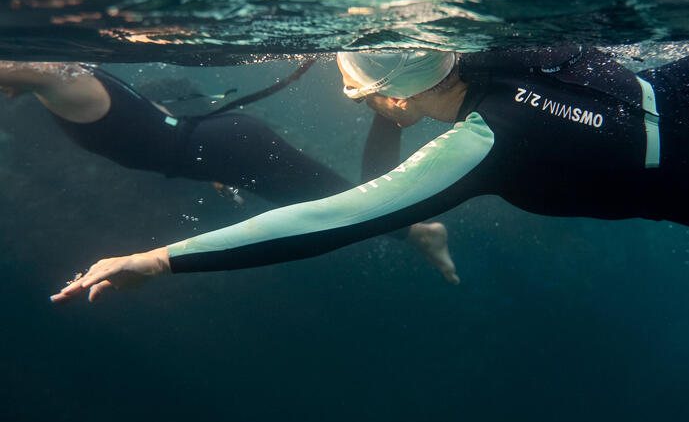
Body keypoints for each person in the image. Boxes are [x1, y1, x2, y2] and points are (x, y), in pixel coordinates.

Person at [49, 43, 689, 303]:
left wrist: (160, 258)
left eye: (360, 96)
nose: (361, 106)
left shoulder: (484, 142)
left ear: (396, 96)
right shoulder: (513, 50)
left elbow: (333, 217)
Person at [0, 61, 460, 285]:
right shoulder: (74, 77)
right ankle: (417, 232)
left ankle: (419, 223)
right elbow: (155, 121)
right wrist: (214, 171)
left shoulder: (59, 81)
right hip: (222, 148)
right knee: (328, 207)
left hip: (230, 148)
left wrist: (215, 163)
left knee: (334, 209)